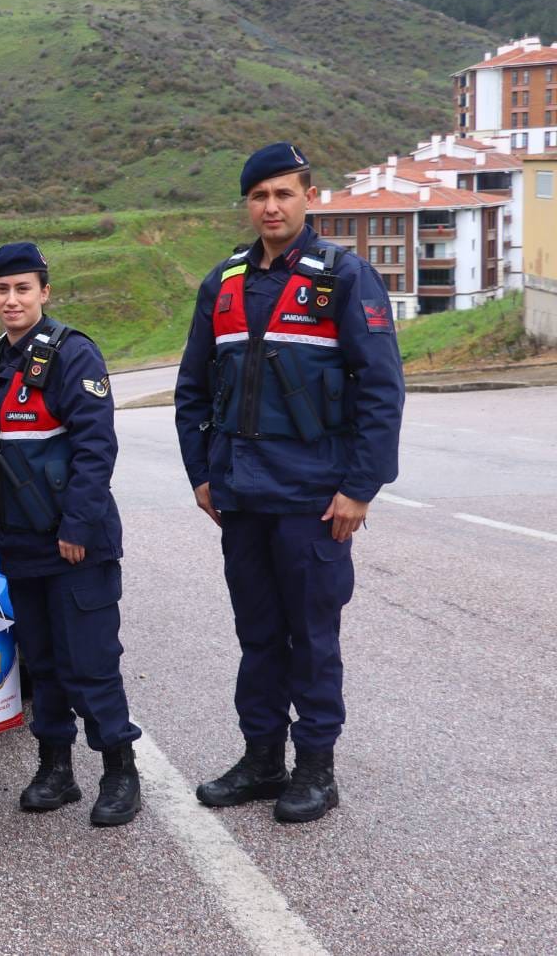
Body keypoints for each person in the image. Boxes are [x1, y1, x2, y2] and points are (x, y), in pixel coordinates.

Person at [174, 143, 403, 824]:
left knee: (313, 635)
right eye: (258, 196)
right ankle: (262, 759)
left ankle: (316, 769)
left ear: (309, 195)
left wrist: (361, 487)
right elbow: (192, 390)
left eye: (283, 193)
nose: (270, 206)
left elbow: (381, 390)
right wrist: (202, 475)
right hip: (241, 498)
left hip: (313, 499)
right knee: (259, 636)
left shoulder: (343, 278)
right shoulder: (223, 282)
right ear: (247, 204)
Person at [0, 241, 142, 828]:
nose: (12, 299)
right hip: (20, 545)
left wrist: (77, 526)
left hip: (75, 546)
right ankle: (55, 769)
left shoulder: (74, 356)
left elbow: (96, 449)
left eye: (23, 288)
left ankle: (120, 771)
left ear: (45, 291)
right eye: (2, 289)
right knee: (41, 664)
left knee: (90, 662)